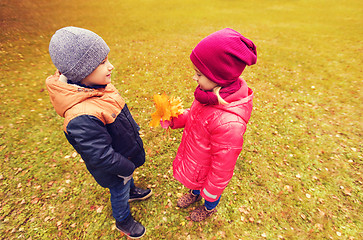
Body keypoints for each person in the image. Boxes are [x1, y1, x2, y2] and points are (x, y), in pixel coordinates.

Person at [46, 26, 152, 239]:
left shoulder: (98, 87)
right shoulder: (81, 116)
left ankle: (130, 189)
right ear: (81, 72)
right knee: (119, 190)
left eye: (107, 59)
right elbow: (101, 156)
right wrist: (126, 167)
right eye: (102, 63)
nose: (110, 66)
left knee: (126, 181)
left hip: (124, 156)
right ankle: (123, 220)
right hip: (115, 168)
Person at [165, 28, 257, 221]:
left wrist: (213, 189)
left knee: (209, 193)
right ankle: (194, 192)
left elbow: (223, 165)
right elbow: (195, 116)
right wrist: (176, 118)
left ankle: (209, 207)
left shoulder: (229, 123)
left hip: (208, 171)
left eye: (198, 74)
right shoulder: (207, 95)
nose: (194, 78)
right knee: (194, 181)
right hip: (196, 159)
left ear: (218, 77)